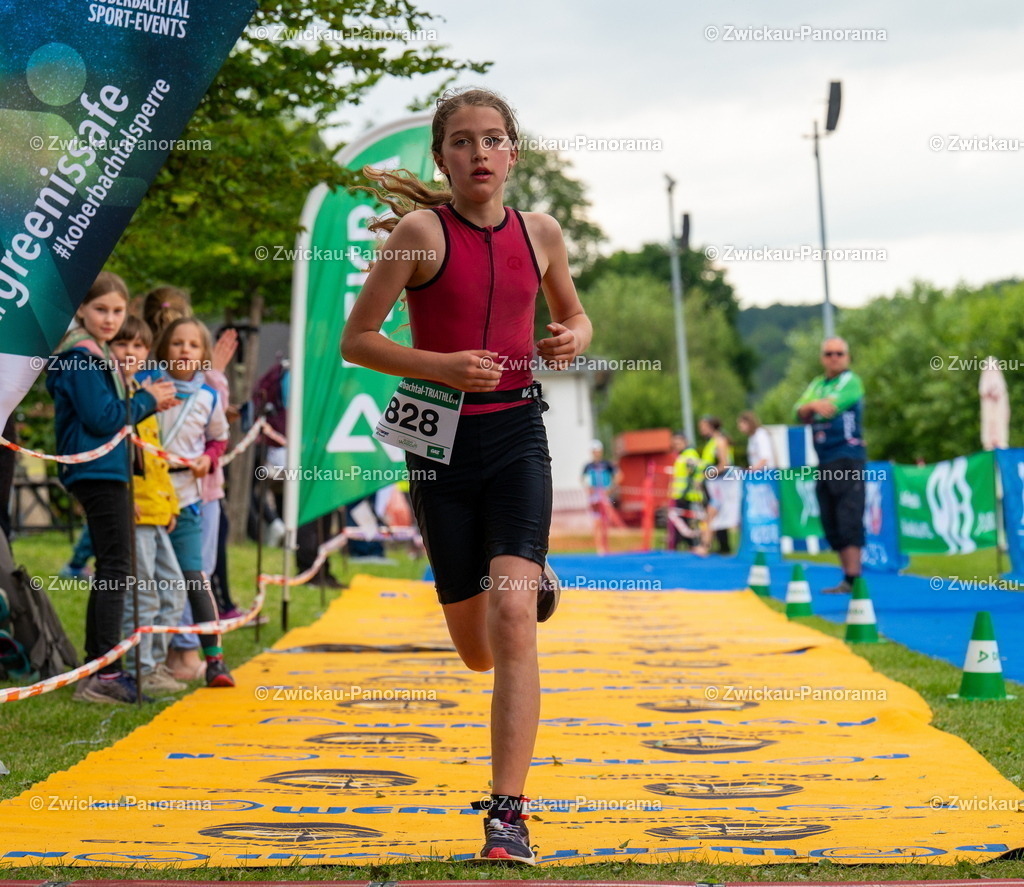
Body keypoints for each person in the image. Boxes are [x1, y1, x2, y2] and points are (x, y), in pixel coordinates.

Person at [341, 87, 591, 864]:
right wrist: (440, 365)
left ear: (513, 152)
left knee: (512, 617)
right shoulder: (419, 235)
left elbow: (576, 316)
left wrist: (571, 338)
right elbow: (358, 339)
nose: (478, 152)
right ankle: (526, 579)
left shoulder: (542, 232)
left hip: (517, 433)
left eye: (492, 139)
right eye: (461, 141)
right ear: (442, 157)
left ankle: (507, 815)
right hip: (437, 442)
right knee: (476, 649)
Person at [46, 271, 177, 703]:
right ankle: (104, 673)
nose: (109, 319)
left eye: (118, 311)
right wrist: (147, 400)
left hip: (108, 470)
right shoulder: (81, 356)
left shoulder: (97, 353)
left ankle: (100, 669)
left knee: (113, 568)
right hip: (95, 470)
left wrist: (143, 398)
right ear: (81, 309)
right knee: (115, 569)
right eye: (100, 309)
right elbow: (102, 417)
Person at [153, 316, 235, 686]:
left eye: (193, 344)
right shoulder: (148, 386)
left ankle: (215, 661)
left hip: (187, 497)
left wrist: (208, 458)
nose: (184, 350)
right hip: (150, 497)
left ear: (204, 353)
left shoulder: (208, 396)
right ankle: (145, 661)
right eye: (177, 343)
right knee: (146, 578)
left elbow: (219, 437)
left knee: (195, 578)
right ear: (163, 349)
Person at [109, 316, 187, 695]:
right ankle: (141, 668)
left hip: (158, 511)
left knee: (174, 589)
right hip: (135, 510)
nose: (130, 352)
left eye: (138, 346)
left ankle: (156, 663)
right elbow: (115, 456)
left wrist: (170, 503)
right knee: (143, 594)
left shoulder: (144, 395)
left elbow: (155, 457)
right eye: (122, 344)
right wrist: (126, 499)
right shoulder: (116, 399)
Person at [794, 337, 866, 594]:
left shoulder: (851, 381)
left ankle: (854, 579)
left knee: (848, 516)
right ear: (822, 358)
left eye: (839, 353)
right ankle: (847, 578)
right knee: (830, 517)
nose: (834, 358)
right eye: (828, 353)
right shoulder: (817, 384)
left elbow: (830, 408)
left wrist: (811, 407)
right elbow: (798, 411)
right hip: (823, 460)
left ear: (847, 357)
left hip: (846, 457)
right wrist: (811, 406)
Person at [698, 416, 734, 554]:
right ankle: (721, 547)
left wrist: (707, 474)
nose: (700, 429)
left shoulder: (719, 441)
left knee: (711, 515)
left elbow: (724, 464)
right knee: (714, 516)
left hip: (721, 486)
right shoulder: (712, 442)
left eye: (703, 426)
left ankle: (705, 546)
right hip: (715, 485)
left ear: (711, 426)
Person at [665, 431, 705, 552]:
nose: (676, 446)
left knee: (689, 526)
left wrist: (685, 492)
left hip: (688, 496)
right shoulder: (682, 455)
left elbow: (693, 473)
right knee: (681, 526)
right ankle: (685, 548)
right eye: (674, 444)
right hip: (681, 495)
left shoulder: (689, 454)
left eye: (678, 443)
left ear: (685, 442)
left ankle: (695, 548)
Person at [581, 439, 619, 555]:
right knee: (596, 522)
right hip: (594, 497)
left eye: (597, 451)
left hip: (605, 496)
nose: (596, 453)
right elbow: (583, 479)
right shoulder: (588, 466)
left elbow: (619, 476)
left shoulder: (607, 465)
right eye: (594, 451)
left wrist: (611, 488)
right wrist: (588, 488)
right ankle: (599, 548)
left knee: (605, 522)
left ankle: (606, 546)